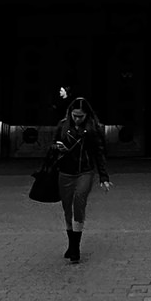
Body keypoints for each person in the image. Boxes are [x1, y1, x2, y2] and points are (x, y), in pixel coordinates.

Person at [51, 97, 111, 261]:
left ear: (87, 115)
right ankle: (72, 243)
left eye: (80, 116)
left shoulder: (93, 128)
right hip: (65, 171)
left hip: (85, 170)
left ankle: (76, 247)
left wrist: (103, 176)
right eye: (74, 115)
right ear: (70, 113)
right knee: (67, 208)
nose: (77, 119)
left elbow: (99, 153)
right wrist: (58, 148)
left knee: (79, 200)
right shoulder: (63, 125)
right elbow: (52, 146)